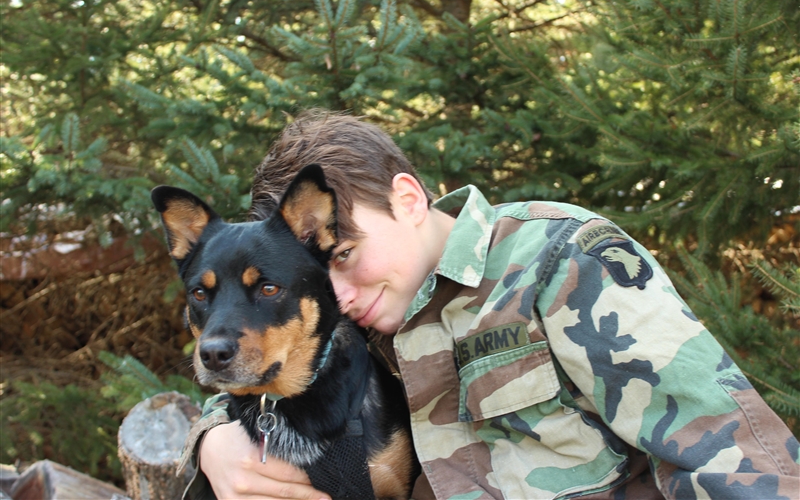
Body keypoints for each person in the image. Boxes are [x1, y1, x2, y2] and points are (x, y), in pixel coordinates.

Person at [178, 110, 800, 499]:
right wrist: (212, 441)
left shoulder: (563, 260)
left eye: (343, 254)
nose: (335, 293)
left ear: (409, 199)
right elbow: (263, 367)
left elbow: (735, 458)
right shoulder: (361, 308)